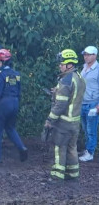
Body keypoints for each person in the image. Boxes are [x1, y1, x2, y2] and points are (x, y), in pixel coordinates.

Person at [45, 49, 85, 183]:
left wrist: (50, 119)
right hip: (75, 122)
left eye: (62, 64)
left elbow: (60, 105)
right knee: (72, 148)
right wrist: (57, 91)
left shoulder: (65, 80)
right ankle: (73, 174)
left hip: (64, 122)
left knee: (59, 147)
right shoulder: (78, 77)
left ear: (70, 64)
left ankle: (57, 176)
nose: (60, 66)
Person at [0, 49, 27, 163]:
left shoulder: (1, 75)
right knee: (10, 128)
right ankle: (22, 147)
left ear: (1, 62)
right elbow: (19, 92)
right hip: (15, 102)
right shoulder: (16, 74)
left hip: (4, 103)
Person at [79, 46, 99, 162]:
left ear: (94, 55)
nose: (85, 56)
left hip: (93, 104)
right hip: (83, 103)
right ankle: (87, 150)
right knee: (85, 129)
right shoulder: (84, 68)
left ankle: (90, 153)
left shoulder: (98, 69)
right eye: (84, 54)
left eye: (88, 54)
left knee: (91, 130)